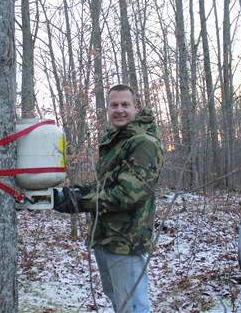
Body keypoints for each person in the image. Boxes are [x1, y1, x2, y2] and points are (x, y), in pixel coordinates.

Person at [53, 84, 165, 313]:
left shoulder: (143, 143)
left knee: (133, 307)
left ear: (136, 107)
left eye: (125, 104)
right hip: (106, 237)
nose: (119, 110)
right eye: (114, 105)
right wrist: (70, 193)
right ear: (107, 109)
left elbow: (128, 195)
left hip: (126, 242)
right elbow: (104, 186)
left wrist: (78, 202)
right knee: (118, 301)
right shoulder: (116, 141)